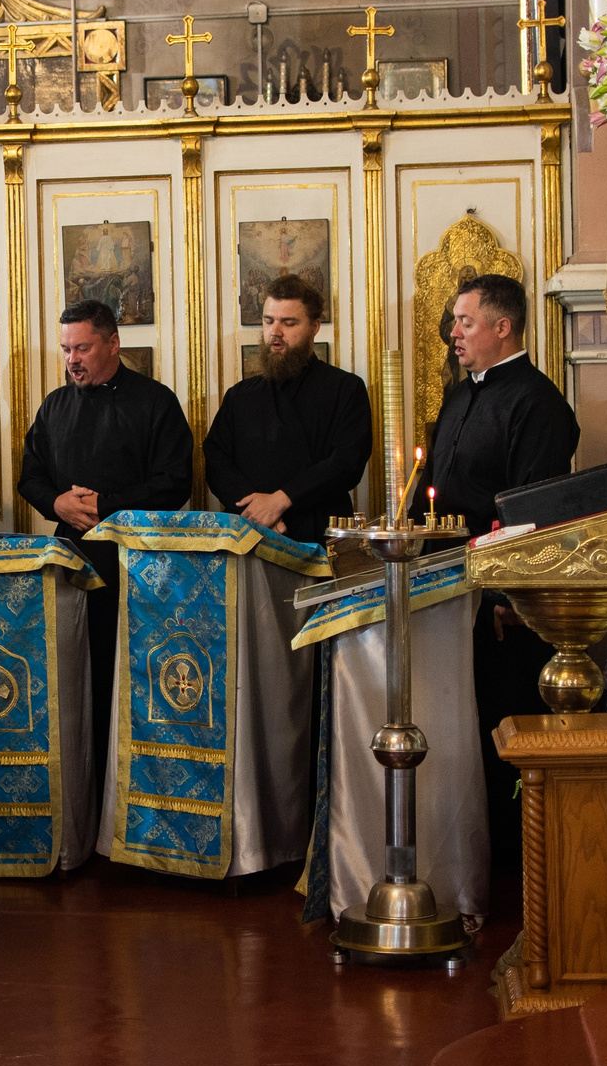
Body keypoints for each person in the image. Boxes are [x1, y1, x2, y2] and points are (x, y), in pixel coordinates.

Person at [407, 273, 577, 911]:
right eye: (455, 322)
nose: (454, 332)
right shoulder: (460, 395)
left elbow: (534, 511)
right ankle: (469, 855)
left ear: (503, 327)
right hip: (451, 588)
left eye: (465, 321)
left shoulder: (538, 403)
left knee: (502, 730)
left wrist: (510, 595)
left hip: (502, 604)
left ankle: (511, 876)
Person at [14, 298, 192, 788]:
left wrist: (105, 504)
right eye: (67, 349)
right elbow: (29, 477)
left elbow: (176, 482)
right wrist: (57, 505)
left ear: (113, 344)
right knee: (75, 682)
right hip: (71, 561)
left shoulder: (155, 402)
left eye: (83, 348)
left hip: (138, 568)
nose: (73, 359)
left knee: (129, 683)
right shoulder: (54, 406)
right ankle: (81, 794)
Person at [202, 274, 373, 545]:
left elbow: (347, 462)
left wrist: (281, 500)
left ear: (315, 326)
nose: (275, 332)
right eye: (269, 321)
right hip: (251, 534)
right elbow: (216, 460)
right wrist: (258, 511)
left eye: (289, 323)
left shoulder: (345, 389)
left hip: (320, 536)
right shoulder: (240, 396)